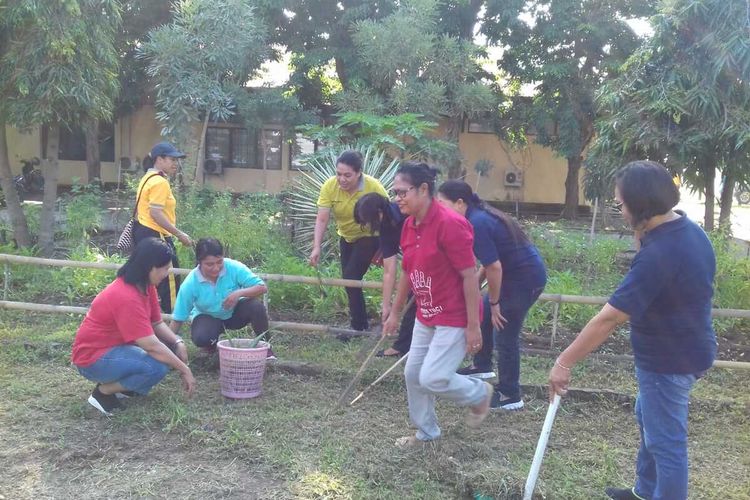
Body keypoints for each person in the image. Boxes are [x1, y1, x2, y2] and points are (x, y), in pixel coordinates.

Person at [548, 161, 717, 500]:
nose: (620, 210)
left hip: (669, 360)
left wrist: (564, 362)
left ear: (641, 206)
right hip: (688, 347)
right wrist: (640, 232)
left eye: (622, 204)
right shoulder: (685, 228)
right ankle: (643, 491)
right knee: (648, 417)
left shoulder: (660, 254)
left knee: (666, 443)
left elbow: (609, 319)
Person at [383, 162, 493, 447]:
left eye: (402, 192)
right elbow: (408, 271)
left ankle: (480, 394)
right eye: (395, 193)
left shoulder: (450, 223)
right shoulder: (409, 225)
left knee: (433, 377)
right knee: (412, 374)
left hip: (456, 315)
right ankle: (427, 432)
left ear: (423, 189)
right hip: (426, 313)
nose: (398, 198)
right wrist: (394, 313)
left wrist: (473, 327)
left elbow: (470, 276)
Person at [437, 180, 547, 410]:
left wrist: (496, 302)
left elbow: (494, 267)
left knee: (504, 332)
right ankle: (482, 365)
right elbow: (489, 263)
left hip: (523, 280)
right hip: (514, 276)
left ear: (459, 203)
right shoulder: (476, 217)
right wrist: (474, 287)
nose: (439, 209)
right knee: (485, 313)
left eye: (442, 204)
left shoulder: (477, 223)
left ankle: (510, 394)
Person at [72, 238, 196, 416]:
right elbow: (151, 345)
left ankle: (123, 388)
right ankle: (103, 393)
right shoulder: (126, 296)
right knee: (157, 365)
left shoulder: (145, 286)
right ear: (151, 267)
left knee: (167, 351)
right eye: (166, 268)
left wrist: (177, 341)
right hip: (92, 359)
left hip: (113, 349)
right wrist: (185, 369)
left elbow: (156, 322)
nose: (167, 273)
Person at [309, 150, 388, 331]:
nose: (342, 179)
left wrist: (386, 246)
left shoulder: (373, 186)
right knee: (348, 281)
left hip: (369, 236)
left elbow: (389, 216)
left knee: (351, 276)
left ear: (359, 173)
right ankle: (359, 323)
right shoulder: (330, 186)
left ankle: (358, 326)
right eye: (338, 174)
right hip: (346, 236)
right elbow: (322, 218)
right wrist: (316, 247)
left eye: (347, 175)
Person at [169, 238, 273, 357]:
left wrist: (238, 294)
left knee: (256, 307)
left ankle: (267, 348)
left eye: (219, 262)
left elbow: (261, 287)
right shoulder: (190, 284)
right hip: (208, 317)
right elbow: (178, 318)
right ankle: (211, 347)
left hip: (234, 314)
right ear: (199, 262)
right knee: (202, 337)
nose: (216, 268)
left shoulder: (233, 267)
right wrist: (166, 344)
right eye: (209, 264)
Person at [133, 142, 194, 313]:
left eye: (177, 160)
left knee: (148, 277)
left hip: (143, 232)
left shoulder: (147, 178)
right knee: (170, 279)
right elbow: (156, 213)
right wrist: (179, 234)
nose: (176, 163)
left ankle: (148, 316)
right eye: (172, 159)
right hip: (156, 234)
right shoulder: (160, 182)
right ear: (159, 159)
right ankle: (170, 323)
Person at [354, 192, 416, 357]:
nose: (369, 226)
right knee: (412, 301)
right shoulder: (386, 227)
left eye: (370, 221)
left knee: (419, 303)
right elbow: (389, 270)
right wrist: (386, 305)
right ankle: (402, 347)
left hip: (432, 261)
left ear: (380, 212)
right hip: (415, 265)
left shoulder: (408, 215)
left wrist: (394, 309)